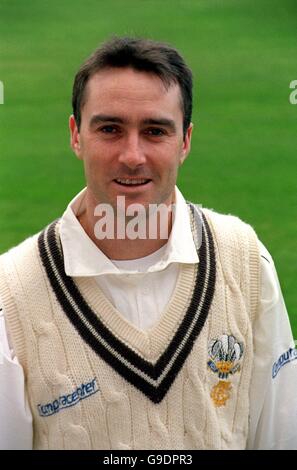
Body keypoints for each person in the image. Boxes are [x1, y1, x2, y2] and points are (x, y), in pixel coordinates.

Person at [0, 37, 296, 451]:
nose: (133, 155)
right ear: (75, 135)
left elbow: (281, 437)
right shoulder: (10, 292)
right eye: (110, 129)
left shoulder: (245, 261)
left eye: (155, 131)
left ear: (185, 141)